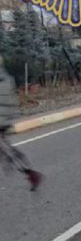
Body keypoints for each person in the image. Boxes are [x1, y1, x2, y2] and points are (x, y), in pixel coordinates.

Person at [0, 55, 42, 191]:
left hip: (1, 119)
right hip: (4, 118)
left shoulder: (2, 79)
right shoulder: (5, 78)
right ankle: (28, 172)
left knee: (5, 149)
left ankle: (29, 172)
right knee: (5, 149)